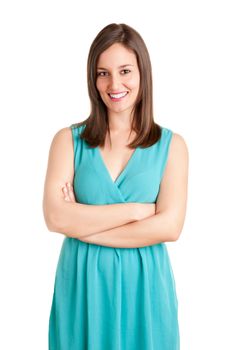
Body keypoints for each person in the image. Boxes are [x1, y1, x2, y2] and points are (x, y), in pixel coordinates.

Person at [43, 22, 188, 350]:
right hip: (81, 284)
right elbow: (55, 217)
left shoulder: (172, 146)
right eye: (103, 73)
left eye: (125, 71)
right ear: (92, 79)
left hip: (146, 287)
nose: (114, 83)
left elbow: (170, 226)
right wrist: (137, 211)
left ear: (142, 74)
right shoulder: (67, 141)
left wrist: (82, 225)